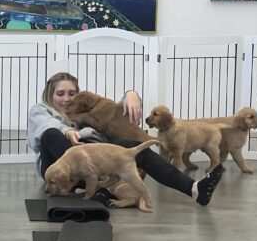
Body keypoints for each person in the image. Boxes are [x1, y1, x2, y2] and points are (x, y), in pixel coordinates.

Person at [27, 72, 224, 206]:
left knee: (137, 148)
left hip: (89, 169)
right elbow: (47, 127)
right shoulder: (41, 110)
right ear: (49, 95)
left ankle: (194, 189)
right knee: (51, 135)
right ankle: (100, 189)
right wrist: (68, 131)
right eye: (60, 94)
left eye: (72, 93)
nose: (67, 99)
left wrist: (131, 94)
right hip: (57, 170)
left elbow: (111, 112)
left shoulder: (82, 108)